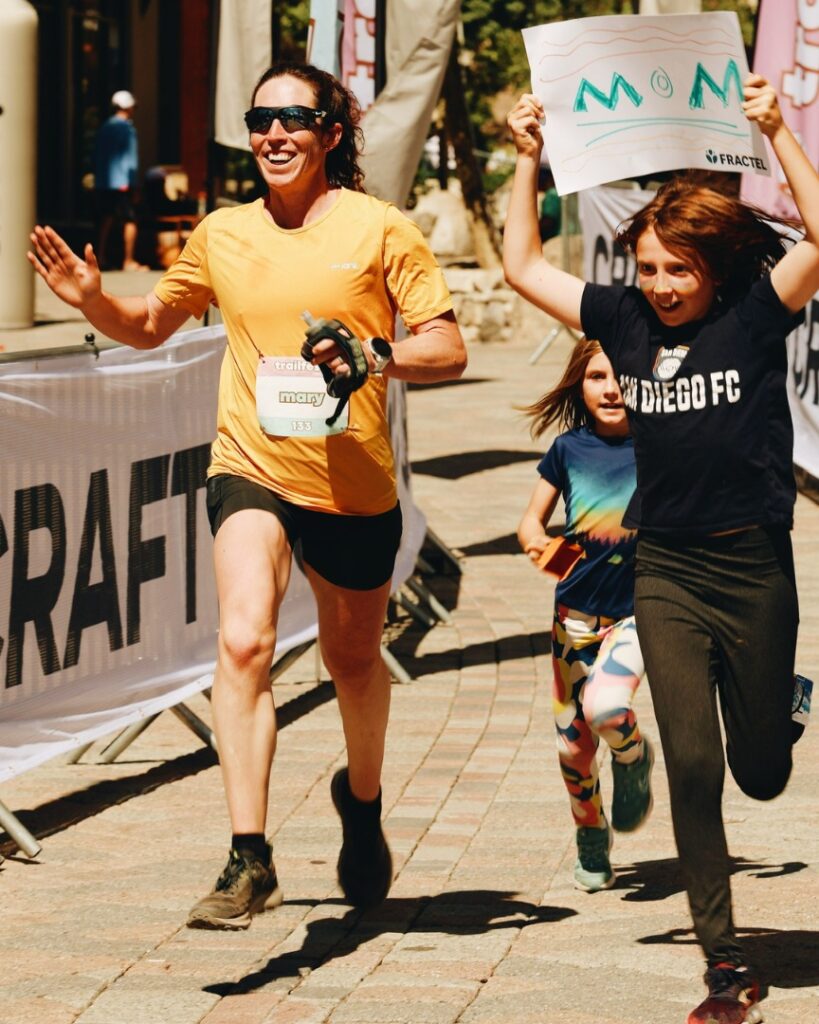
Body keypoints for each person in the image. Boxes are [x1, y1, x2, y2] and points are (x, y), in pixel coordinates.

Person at [29, 61, 467, 930]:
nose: (273, 133)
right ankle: (248, 855)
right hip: (251, 465)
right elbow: (151, 324)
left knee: (351, 664)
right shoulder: (222, 232)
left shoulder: (383, 231)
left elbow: (446, 349)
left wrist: (376, 355)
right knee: (242, 640)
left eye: (294, 118)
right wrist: (94, 302)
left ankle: (364, 803)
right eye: (259, 118)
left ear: (331, 134)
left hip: (353, 485)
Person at [503, 73, 819, 1024]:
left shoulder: (755, 313)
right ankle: (725, 970)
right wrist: (528, 161)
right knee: (691, 765)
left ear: (711, 269)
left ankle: (776, 703)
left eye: (677, 270)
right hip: (668, 570)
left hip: (754, 564)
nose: (660, 287)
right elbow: (521, 264)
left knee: (759, 770)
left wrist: (777, 135)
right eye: (646, 268)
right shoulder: (621, 322)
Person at [517, 338, 653, 894]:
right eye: (597, 376)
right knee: (573, 745)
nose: (611, 388)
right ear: (580, 383)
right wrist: (560, 559)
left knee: (607, 706)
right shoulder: (567, 450)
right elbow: (530, 525)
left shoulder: (661, 445)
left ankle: (634, 756)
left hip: (637, 613)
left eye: (621, 376)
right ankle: (590, 838)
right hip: (572, 621)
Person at [94, 89, 147, 271]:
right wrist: (133, 184)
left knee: (105, 219)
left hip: (104, 182)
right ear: (128, 108)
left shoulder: (104, 127)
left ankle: (99, 256)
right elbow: (130, 160)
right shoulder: (127, 129)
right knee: (130, 220)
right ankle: (128, 260)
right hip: (123, 183)